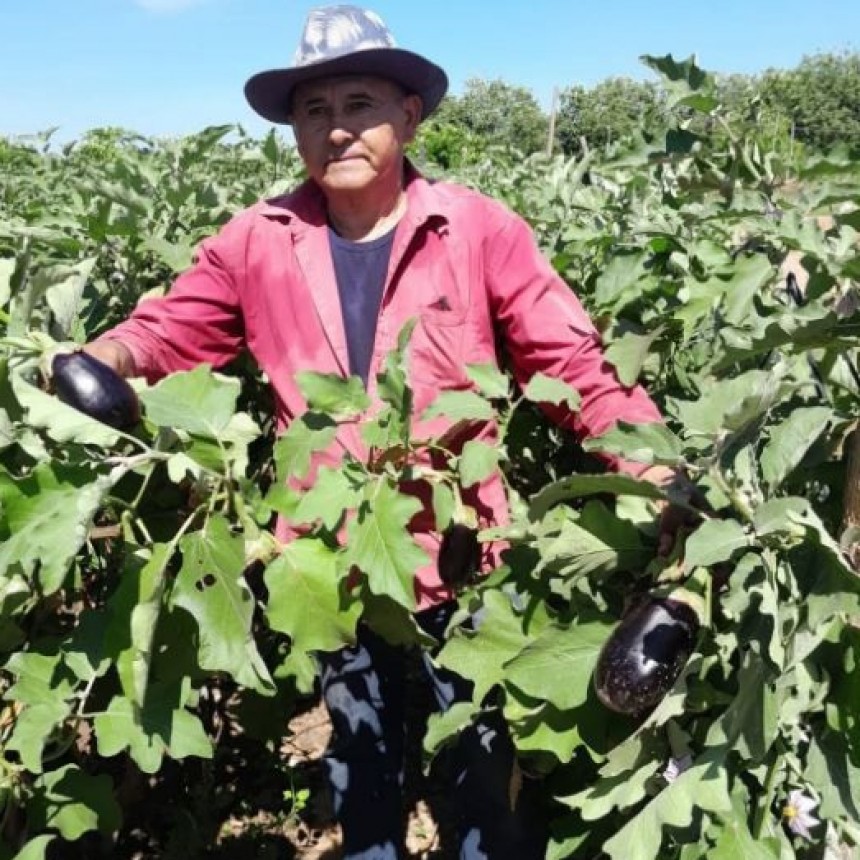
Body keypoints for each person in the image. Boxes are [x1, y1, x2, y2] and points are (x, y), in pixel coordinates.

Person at [83, 5, 689, 858]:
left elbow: (575, 369)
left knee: (482, 781)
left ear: (409, 115)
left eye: (359, 103)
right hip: (329, 568)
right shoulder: (259, 240)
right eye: (314, 110)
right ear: (294, 128)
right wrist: (100, 355)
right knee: (362, 781)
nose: (336, 129)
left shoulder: (478, 230)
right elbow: (170, 329)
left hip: (465, 561)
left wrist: (650, 463)